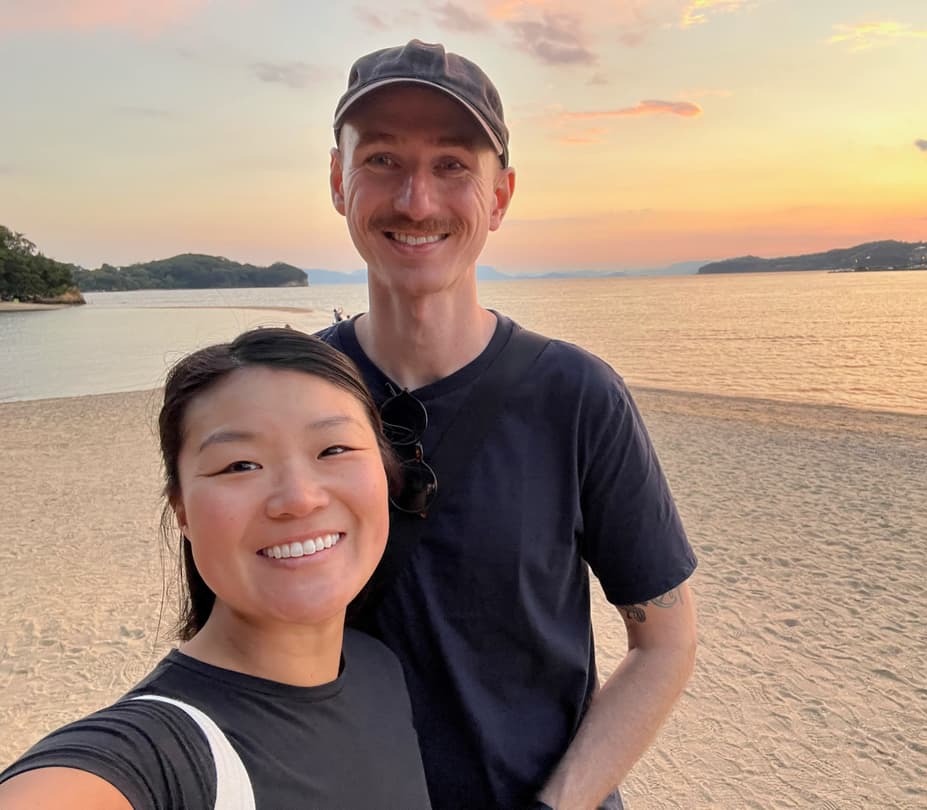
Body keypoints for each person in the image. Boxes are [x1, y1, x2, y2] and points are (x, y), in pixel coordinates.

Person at [319, 40, 698, 809]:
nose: (417, 201)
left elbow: (665, 642)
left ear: (500, 195)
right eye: (383, 160)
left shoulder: (575, 395)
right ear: (338, 182)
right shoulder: (293, 395)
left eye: (454, 165)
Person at [0, 328, 431, 809]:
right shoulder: (161, 756)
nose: (299, 499)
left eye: (333, 450)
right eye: (240, 465)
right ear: (182, 511)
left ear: (385, 472)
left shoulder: (379, 671)